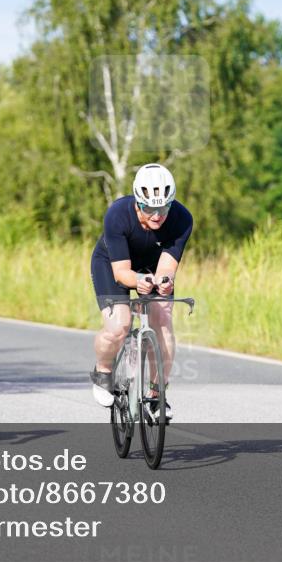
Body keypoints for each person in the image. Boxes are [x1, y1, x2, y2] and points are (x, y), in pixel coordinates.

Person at [89, 163, 192, 422]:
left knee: (163, 321)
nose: (157, 215)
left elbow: (167, 265)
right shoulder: (117, 214)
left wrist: (165, 281)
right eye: (149, 208)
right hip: (114, 263)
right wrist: (137, 280)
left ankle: (157, 395)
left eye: (164, 207)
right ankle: (103, 371)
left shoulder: (182, 218)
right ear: (137, 203)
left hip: (152, 264)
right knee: (119, 326)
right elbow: (122, 272)